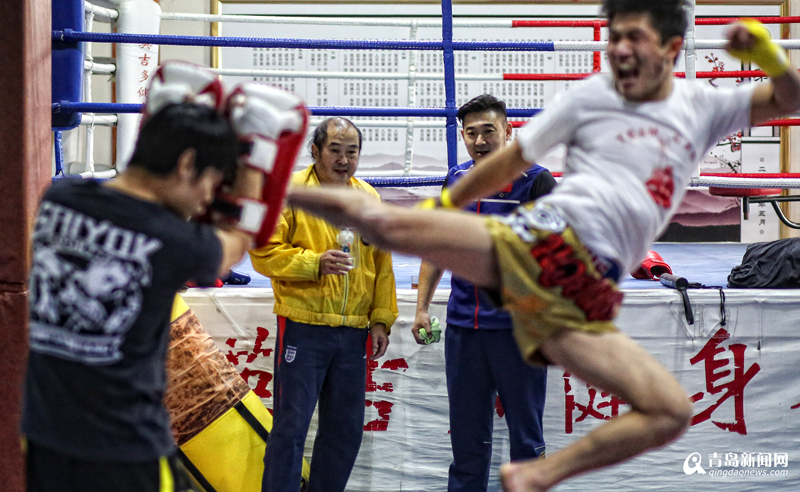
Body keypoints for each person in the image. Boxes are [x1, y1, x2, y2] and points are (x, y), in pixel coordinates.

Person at [283, 2, 800, 490]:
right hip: (536, 246)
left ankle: (535, 476)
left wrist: (770, 56)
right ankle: (264, 187)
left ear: (671, 47)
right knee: (388, 225)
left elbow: (789, 97)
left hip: (579, 294)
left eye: (635, 38)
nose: (620, 50)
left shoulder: (705, 106)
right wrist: (442, 208)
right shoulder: (590, 96)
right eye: (614, 37)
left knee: (669, 411)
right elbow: (506, 165)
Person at [22, 102, 263, 492]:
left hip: (44, 437)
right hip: (126, 451)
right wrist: (256, 157)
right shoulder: (172, 240)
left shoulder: (58, 199)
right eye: (210, 181)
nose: (207, 197)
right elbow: (236, 244)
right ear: (186, 164)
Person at [413, 94, 555, 492]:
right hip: (464, 330)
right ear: (462, 136)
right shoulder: (456, 180)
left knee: (527, 439)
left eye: (488, 131)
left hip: (518, 332)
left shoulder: (536, 181)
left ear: (508, 131)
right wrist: (422, 307)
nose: (479, 141)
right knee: (467, 440)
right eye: (471, 133)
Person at [250, 117, 399, 492]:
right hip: (304, 326)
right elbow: (263, 252)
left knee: (344, 431)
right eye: (335, 150)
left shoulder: (368, 198)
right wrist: (313, 264)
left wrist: (381, 319)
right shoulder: (291, 193)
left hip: (353, 333)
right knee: (290, 428)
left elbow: (382, 265)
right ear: (315, 151)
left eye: (352, 152)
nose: (344, 160)